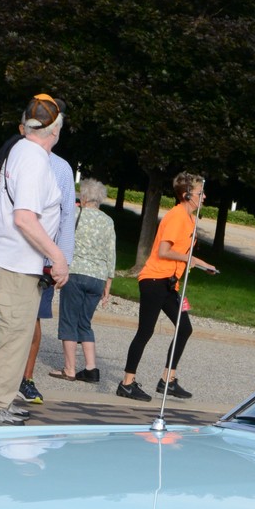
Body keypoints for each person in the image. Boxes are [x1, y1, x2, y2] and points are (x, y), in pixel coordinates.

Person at [0, 94, 70, 424]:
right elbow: (25, 217)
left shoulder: (18, 150)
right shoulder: (33, 158)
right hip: (17, 261)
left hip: (9, 258)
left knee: (14, 334)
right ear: (56, 128)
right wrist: (57, 256)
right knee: (14, 336)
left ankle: (0, 396)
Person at [116, 170, 214, 402]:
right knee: (146, 331)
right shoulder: (176, 216)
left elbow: (182, 254)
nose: (204, 197)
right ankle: (127, 384)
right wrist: (194, 261)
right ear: (186, 195)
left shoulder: (190, 218)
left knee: (185, 327)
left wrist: (197, 265)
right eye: (200, 192)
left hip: (169, 284)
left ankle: (167, 380)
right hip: (154, 280)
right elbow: (163, 251)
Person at [56, 178, 115, 382]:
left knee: (69, 320)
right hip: (97, 278)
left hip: (76, 273)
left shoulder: (75, 214)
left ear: (84, 196)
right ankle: (91, 369)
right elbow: (111, 253)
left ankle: (69, 369)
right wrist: (108, 283)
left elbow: (61, 239)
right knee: (85, 323)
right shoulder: (108, 221)